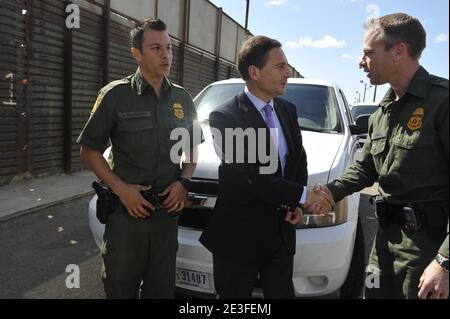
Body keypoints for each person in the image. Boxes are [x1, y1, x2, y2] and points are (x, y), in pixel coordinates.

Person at [315, 13, 448, 299]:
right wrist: (328, 192)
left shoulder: (443, 103)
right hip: (383, 244)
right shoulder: (383, 112)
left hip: (425, 252)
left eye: (367, 54)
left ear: (398, 51)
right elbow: (365, 169)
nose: (360, 62)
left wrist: (445, 262)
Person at [77, 18, 202, 298]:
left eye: (169, 48)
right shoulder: (115, 96)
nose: (166, 55)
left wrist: (184, 180)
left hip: (166, 219)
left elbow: (192, 147)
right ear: (136, 53)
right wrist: (121, 189)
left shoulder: (182, 98)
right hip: (126, 216)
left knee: (162, 290)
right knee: (121, 288)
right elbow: (88, 150)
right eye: (156, 48)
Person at [199, 36, 332, 298]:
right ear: (254, 72)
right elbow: (251, 175)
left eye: (288, 66)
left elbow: (298, 160)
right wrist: (305, 196)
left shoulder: (288, 110)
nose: (288, 73)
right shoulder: (225, 117)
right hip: (239, 238)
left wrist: (295, 204)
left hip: (281, 234)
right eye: (280, 66)